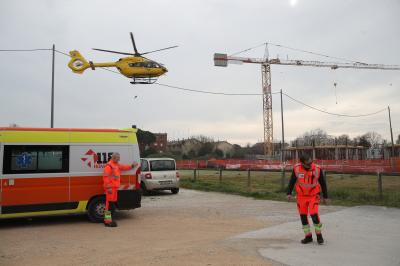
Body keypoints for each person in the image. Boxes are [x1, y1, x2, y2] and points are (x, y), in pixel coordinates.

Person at [287, 154, 328, 244]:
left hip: (314, 195)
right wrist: (289, 193)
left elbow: (323, 183)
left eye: (311, 162)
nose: (311, 165)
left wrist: (325, 196)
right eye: (308, 164)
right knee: (303, 216)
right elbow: (292, 181)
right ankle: (308, 236)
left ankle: (319, 236)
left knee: (314, 214)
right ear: (302, 163)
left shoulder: (317, 168)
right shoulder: (297, 168)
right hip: (301, 197)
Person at [103, 152, 138, 227]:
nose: (119, 160)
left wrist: (132, 166)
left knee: (111, 205)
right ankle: (107, 221)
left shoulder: (116, 165)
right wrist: (108, 187)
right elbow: (106, 177)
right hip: (110, 189)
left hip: (114, 188)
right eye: (118, 158)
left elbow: (124, 167)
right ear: (114, 158)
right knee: (109, 205)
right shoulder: (109, 166)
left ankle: (109, 220)